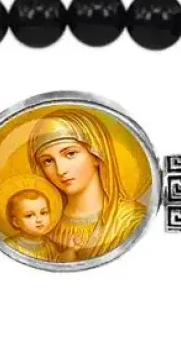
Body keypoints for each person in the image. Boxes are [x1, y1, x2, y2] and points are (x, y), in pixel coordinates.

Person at [27, 109, 147, 261]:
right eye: (48, 161)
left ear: (96, 155)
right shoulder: (42, 226)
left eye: (70, 154)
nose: (60, 170)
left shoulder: (132, 221)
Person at [3, 188, 61, 261]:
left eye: (43, 213)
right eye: (29, 215)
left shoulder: (50, 246)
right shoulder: (10, 246)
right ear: (16, 222)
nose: (39, 219)